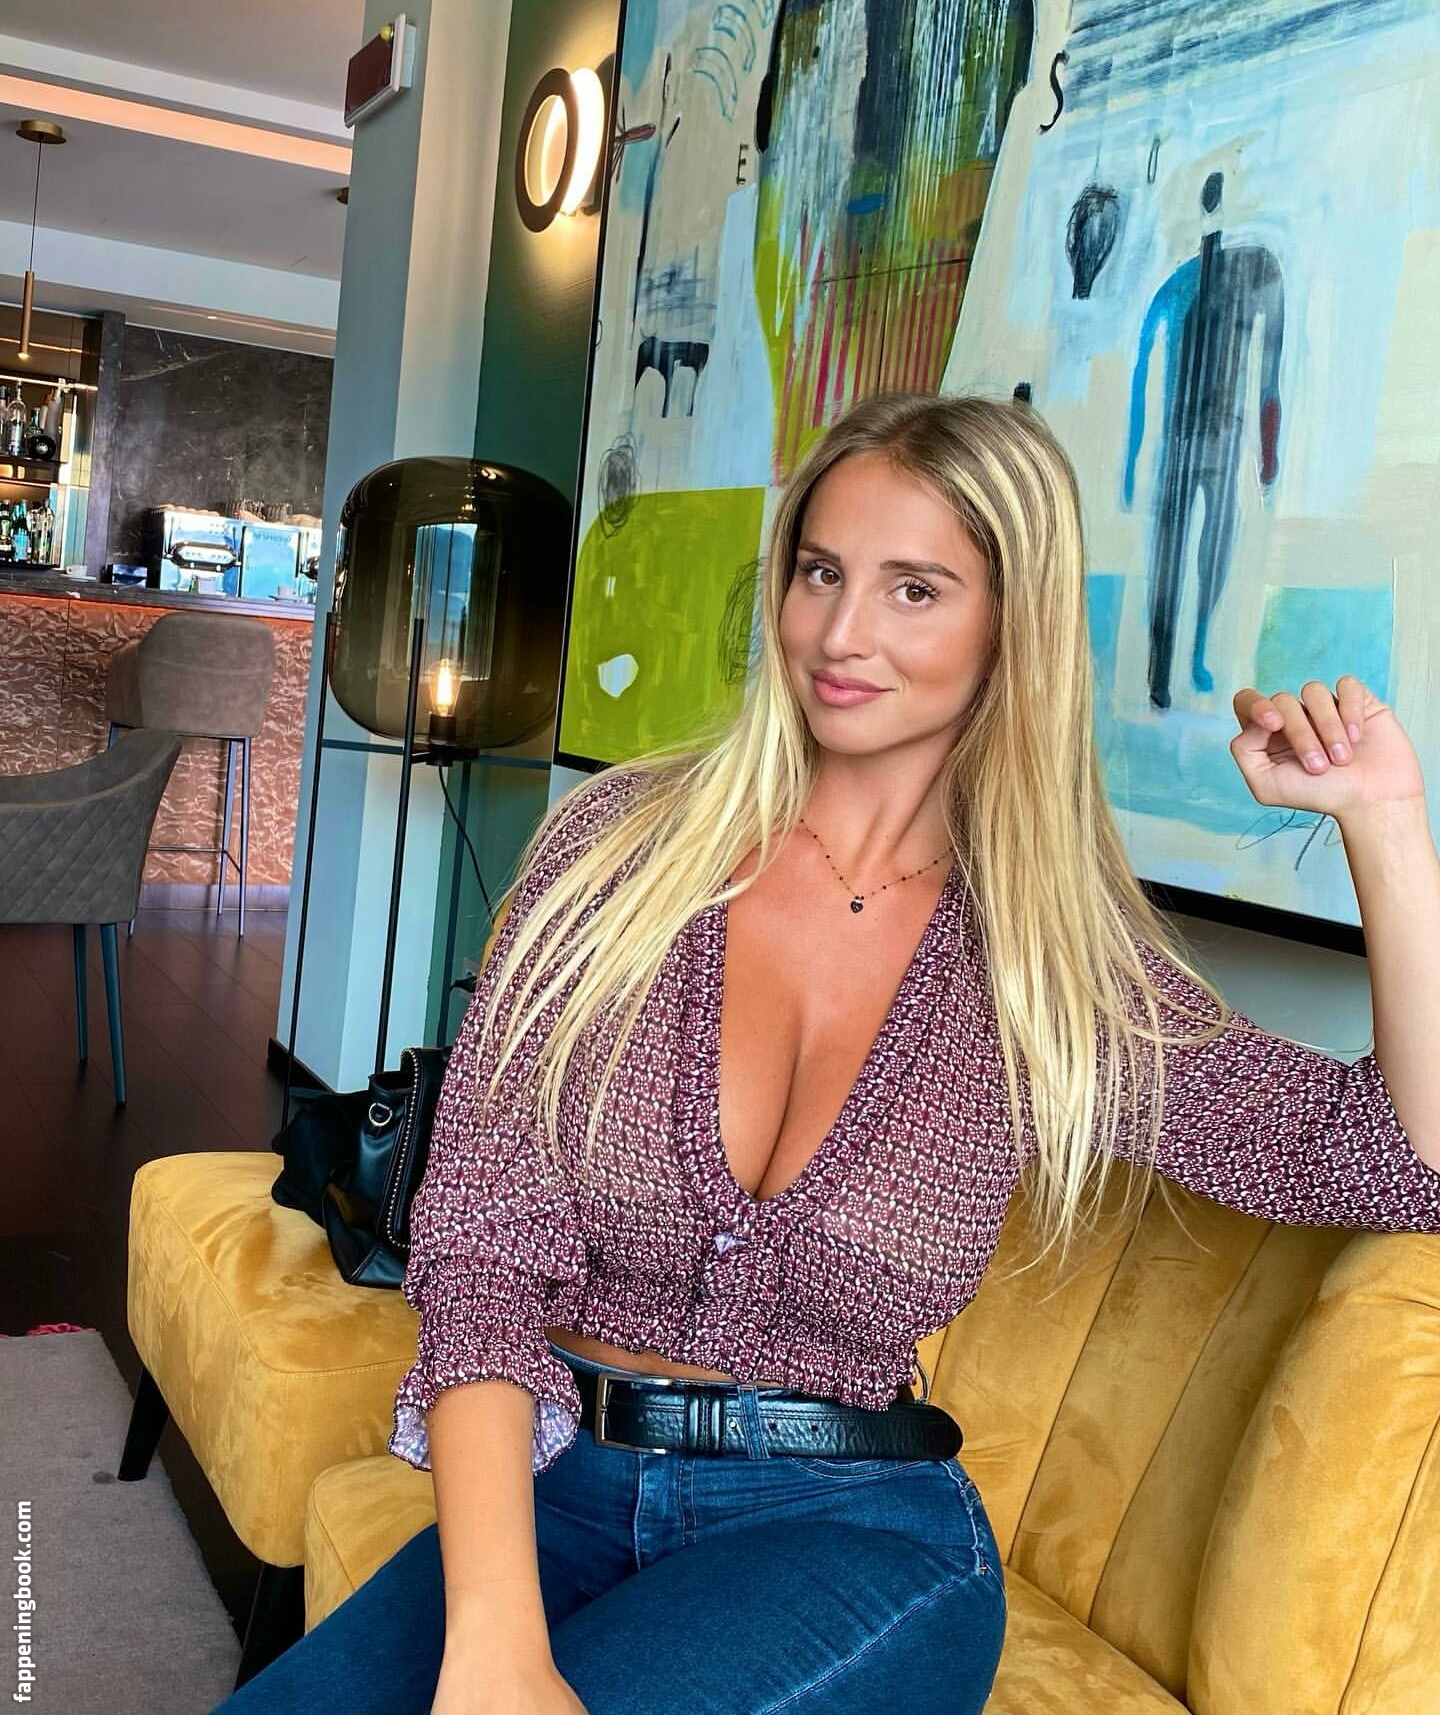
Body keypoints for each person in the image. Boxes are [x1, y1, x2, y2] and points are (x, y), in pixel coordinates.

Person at [213, 391, 1440, 1715]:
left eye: (915, 589)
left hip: (853, 1528)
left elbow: (1399, 1162)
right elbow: (482, 1246)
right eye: (820, 572)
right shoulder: (619, 852)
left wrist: (1383, 819)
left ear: (1011, 627)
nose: (842, 634)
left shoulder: (1051, 965)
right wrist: (494, 1639)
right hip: (556, 1478)